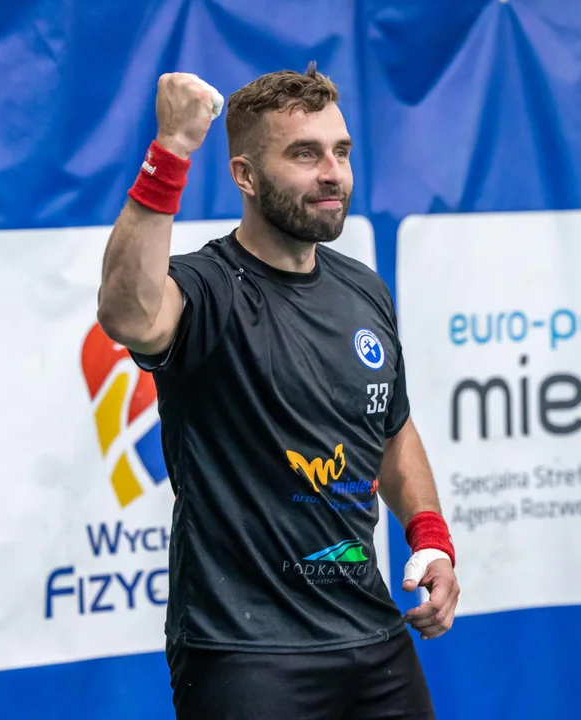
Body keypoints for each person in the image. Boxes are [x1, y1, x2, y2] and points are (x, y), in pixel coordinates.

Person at [96, 63, 459, 720]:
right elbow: (127, 314)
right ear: (245, 175)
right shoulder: (206, 289)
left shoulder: (364, 290)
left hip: (375, 638)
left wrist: (430, 536)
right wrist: (170, 153)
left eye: (341, 152)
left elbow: (392, 429)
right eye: (305, 154)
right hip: (246, 654)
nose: (333, 172)